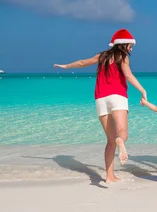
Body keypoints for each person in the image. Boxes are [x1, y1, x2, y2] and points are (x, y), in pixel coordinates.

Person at [53, 28, 147, 183]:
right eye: (130, 45)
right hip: (117, 96)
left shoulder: (102, 56)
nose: (131, 48)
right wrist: (142, 90)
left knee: (110, 140)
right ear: (123, 44)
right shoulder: (122, 57)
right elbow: (128, 75)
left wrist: (65, 66)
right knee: (122, 134)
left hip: (100, 99)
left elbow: (82, 63)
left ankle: (109, 176)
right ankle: (120, 143)